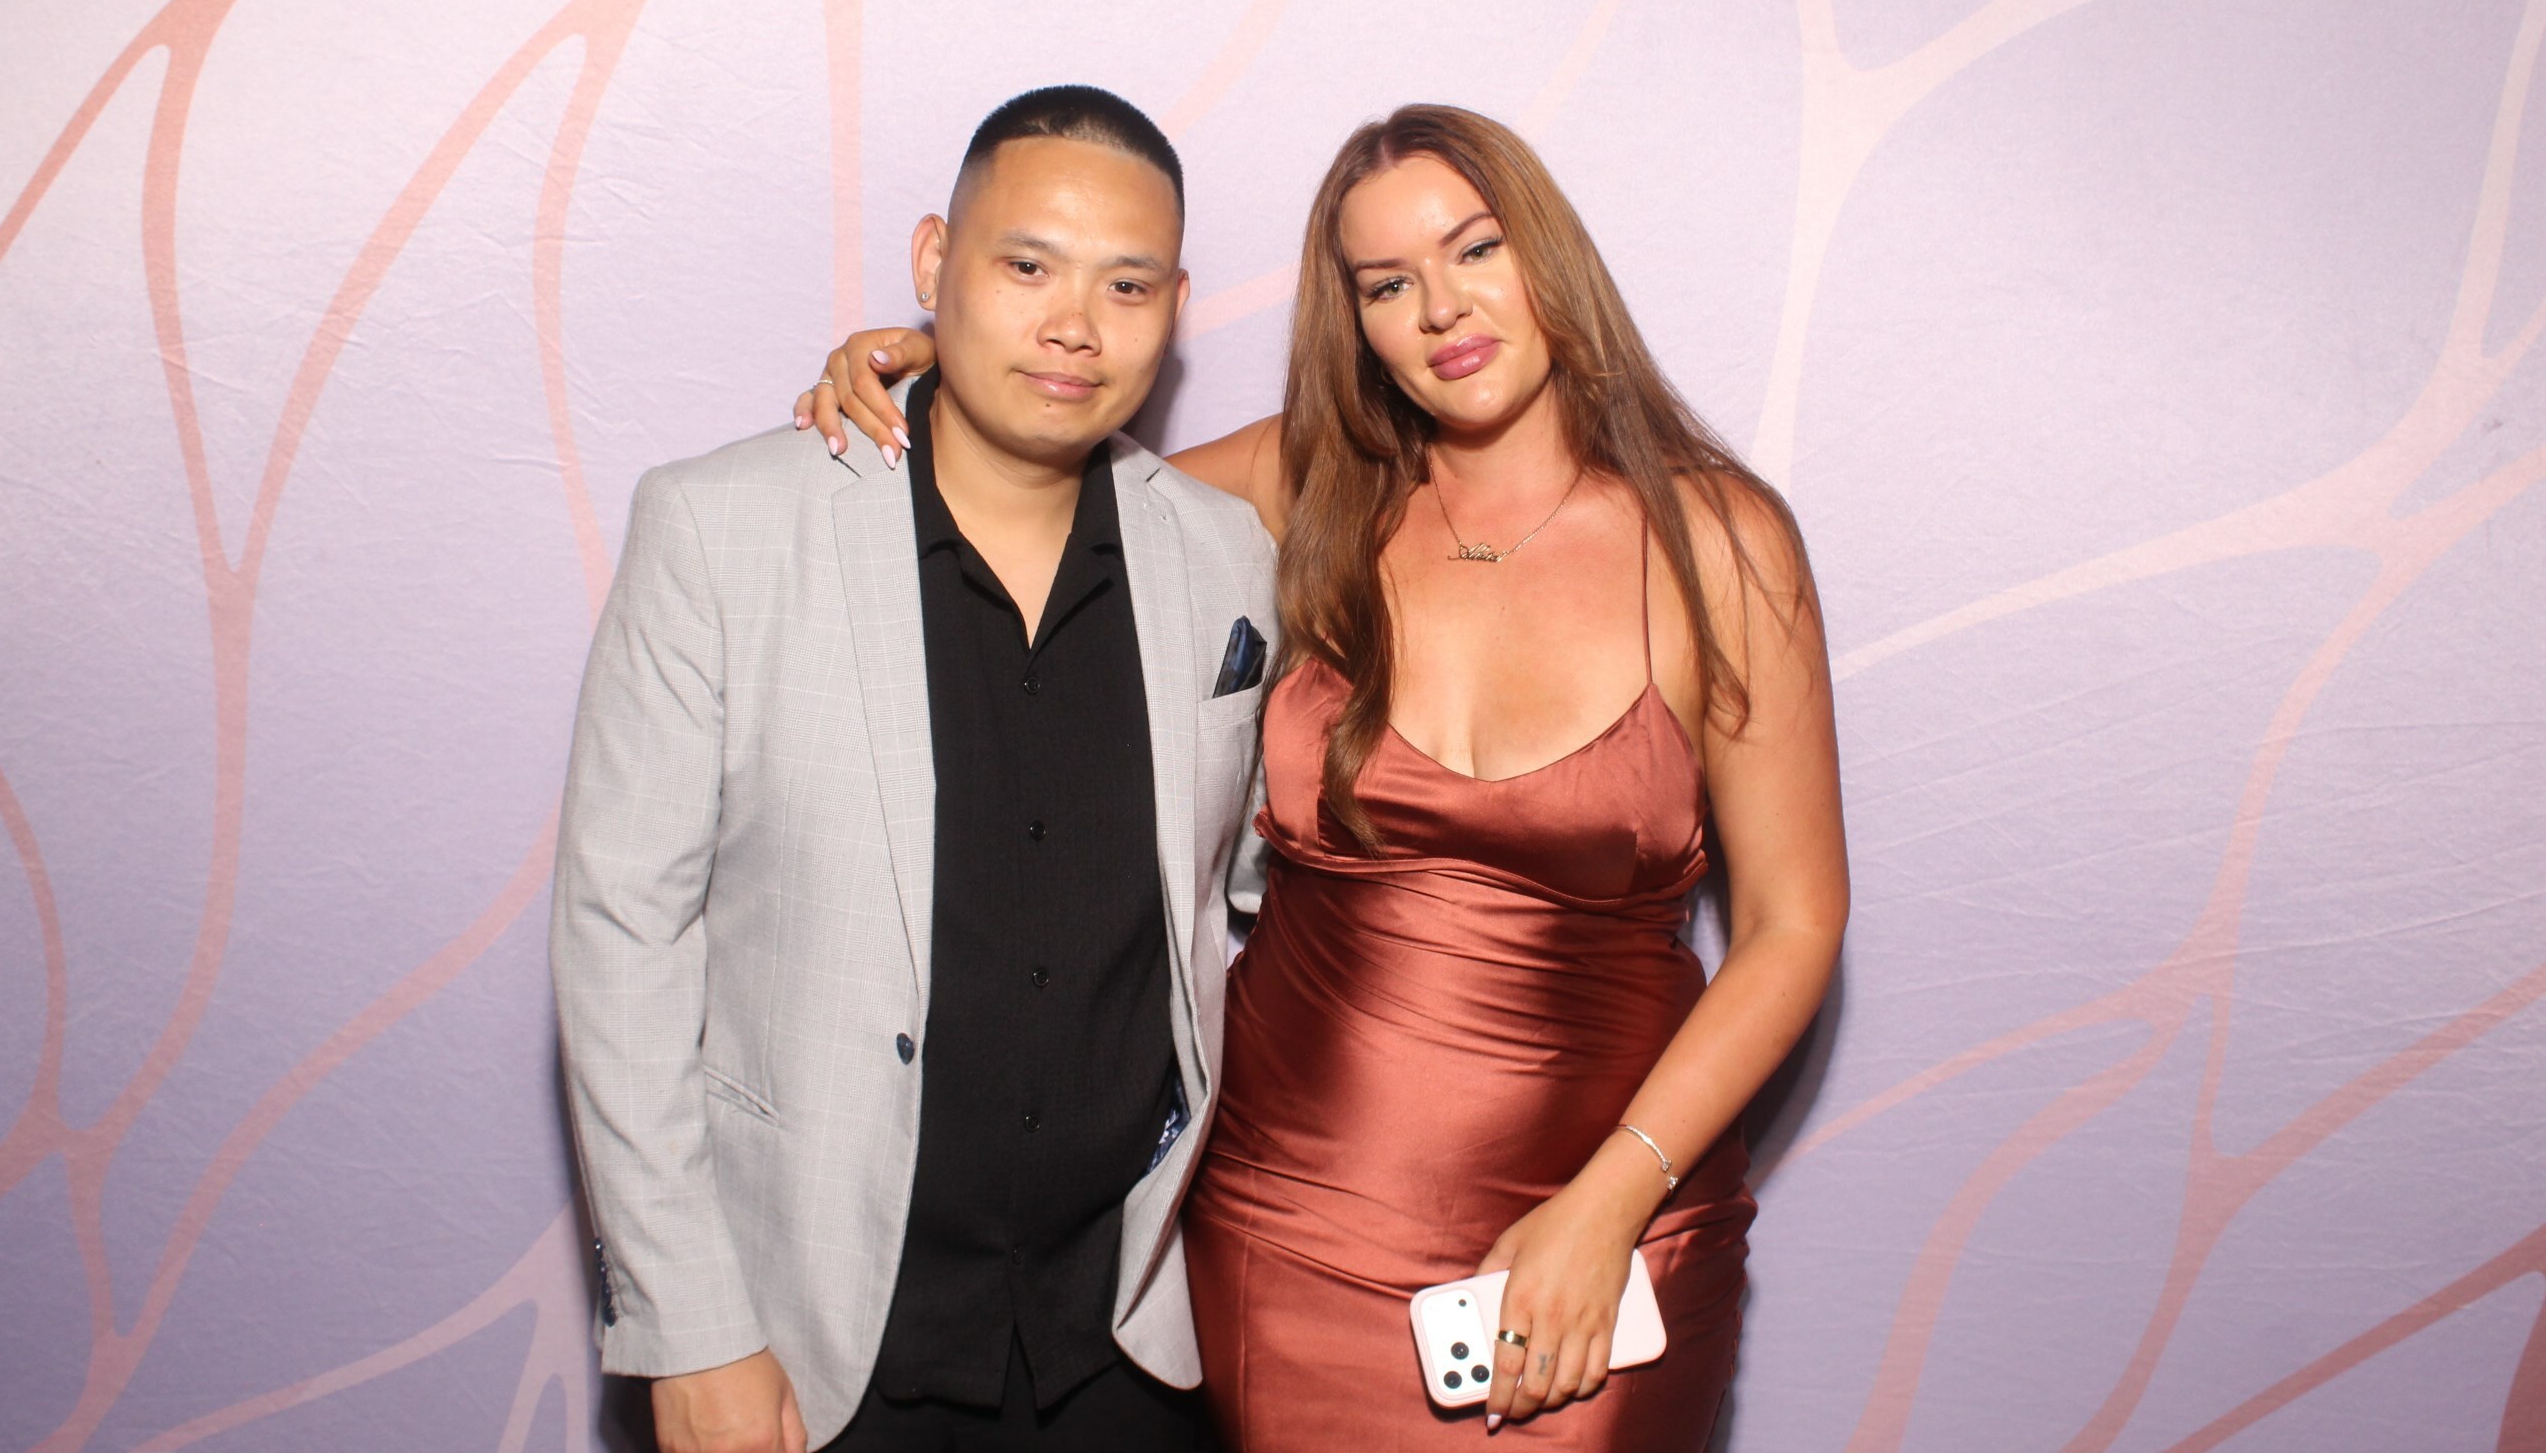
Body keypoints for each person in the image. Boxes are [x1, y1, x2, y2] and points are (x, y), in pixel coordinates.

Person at [800, 104, 1850, 1450]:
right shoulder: (1304, 487)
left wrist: (1610, 1204)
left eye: (1476, 249)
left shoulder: (1718, 542)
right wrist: (941, 357)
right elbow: (1032, 482)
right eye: (1386, 284)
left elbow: (1793, 925)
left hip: (1614, 1220)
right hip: (1291, 1220)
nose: (1441, 309)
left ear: (1549, 254)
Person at [553, 85, 1278, 1452]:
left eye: (1126, 285)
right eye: (1027, 267)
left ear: (1175, 307)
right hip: (812, 1342)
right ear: (935, 262)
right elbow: (620, 940)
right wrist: (688, 1322)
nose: (1075, 324)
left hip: (1125, 1339)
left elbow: (1257, 884)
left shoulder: (1226, 557)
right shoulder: (722, 530)